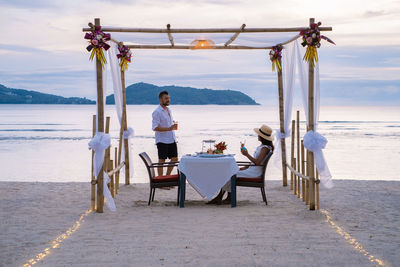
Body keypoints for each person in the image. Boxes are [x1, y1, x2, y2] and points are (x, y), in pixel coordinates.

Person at [207, 124, 274, 205]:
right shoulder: (263, 147)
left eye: (258, 134)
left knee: (228, 173)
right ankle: (227, 197)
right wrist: (244, 167)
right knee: (229, 172)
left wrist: (247, 154)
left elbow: (257, 162)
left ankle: (222, 197)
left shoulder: (265, 148)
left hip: (254, 173)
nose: (257, 135)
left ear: (261, 136)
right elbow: (255, 163)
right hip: (252, 170)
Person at [152, 91, 178, 177]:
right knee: (162, 160)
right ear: (160, 99)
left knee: (174, 159)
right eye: (166, 98)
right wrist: (169, 128)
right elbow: (155, 127)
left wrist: (172, 124)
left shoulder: (169, 110)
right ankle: (160, 180)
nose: (168, 100)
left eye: (169, 98)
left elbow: (167, 122)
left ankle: (167, 177)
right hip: (162, 140)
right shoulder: (157, 112)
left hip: (171, 138)